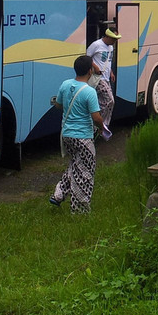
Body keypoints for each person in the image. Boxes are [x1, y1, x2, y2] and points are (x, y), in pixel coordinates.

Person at [50, 55, 104, 214]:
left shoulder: (65, 84)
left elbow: (59, 105)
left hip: (66, 135)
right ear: (90, 71)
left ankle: (58, 194)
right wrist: (102, 127)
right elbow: (96, 117)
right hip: (83, 137)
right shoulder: (89, 92)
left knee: (76, 165)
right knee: (85, 172)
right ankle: (79, 210)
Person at [86, 28, 119, 140]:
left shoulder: (110, 47)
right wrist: (95, 67)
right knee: (110, 100)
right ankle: (99, 125)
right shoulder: (96, 45)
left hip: (106, 78)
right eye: (113, 39)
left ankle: (100, 125)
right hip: (98, 78)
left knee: (105, 102)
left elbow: (107, 61)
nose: (115, 41)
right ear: (107, 36)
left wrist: (111, 72)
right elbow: (86, 57)